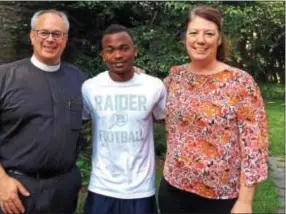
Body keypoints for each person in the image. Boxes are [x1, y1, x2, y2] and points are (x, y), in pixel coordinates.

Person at [0, 9, 86, 214]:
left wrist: (131, 77)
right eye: (43, 33)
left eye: (57, 34)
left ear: (65, 39)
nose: (50, 39)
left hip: (62, 191)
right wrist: (1, 179)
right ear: (32, 36)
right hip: (13, 189)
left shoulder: (77, 78)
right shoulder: (4, 77)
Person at [158, 6, 269, 214]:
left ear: (218, 39)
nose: (200, 40)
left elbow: (255, 145)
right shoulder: (175, 77)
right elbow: (152, 108)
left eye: (209, 33)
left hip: (222, 197)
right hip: (174, 190)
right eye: (194, 33)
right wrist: (133, 77)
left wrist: (245, 201)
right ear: (185, 38)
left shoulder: (241, 83)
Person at [82, 24, 167, 214]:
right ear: (103, 55)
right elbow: (78, 121)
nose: (118, 55)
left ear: (134, 51)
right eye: (110, 50)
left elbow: (166, 122)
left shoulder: (154, 87)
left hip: (141, 189)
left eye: (124, 48)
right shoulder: (90, 88)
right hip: (101, 187)